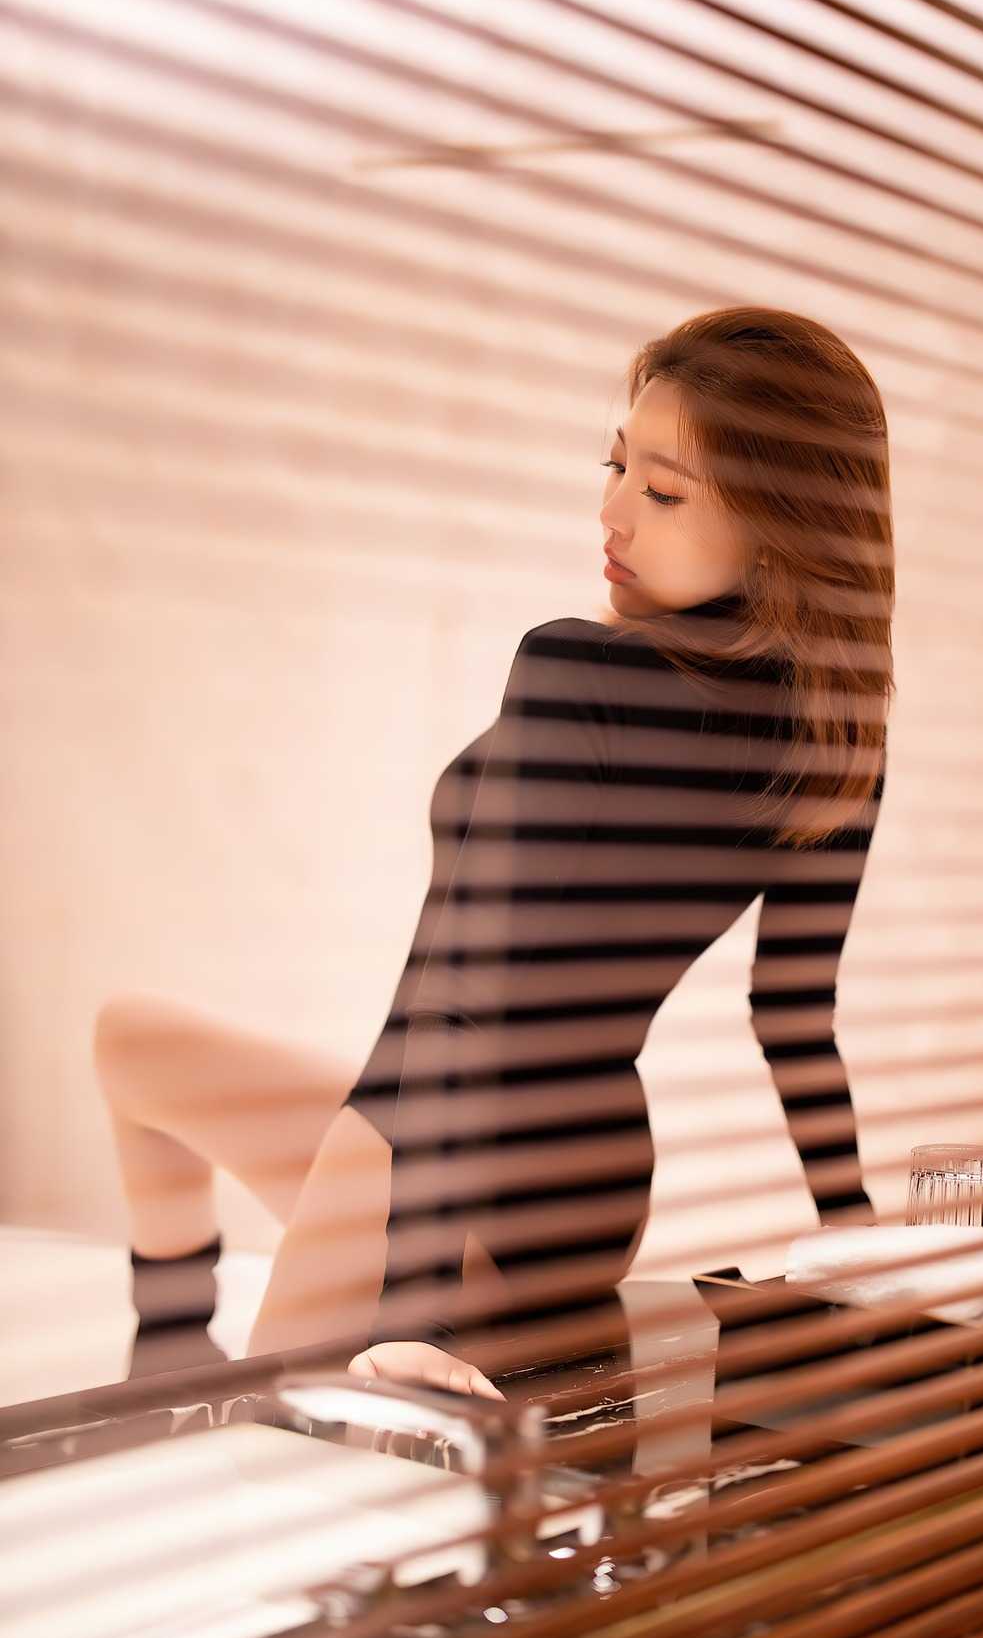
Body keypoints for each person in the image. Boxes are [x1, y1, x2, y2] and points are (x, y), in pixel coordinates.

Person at [93, 306, 895, 1399]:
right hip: (583, 1188)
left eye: (663, 493)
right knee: (130, 1042)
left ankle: (173, 1388)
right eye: (616, 466)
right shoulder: (838, 741)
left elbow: (461, 1004)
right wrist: (858, 1240)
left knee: (247, 1441)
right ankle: (172, 1358)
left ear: (782, 531)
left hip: (434, 1141)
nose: (611, 511)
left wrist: (415, 1318)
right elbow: (793, 1017)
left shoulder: (577, 672)